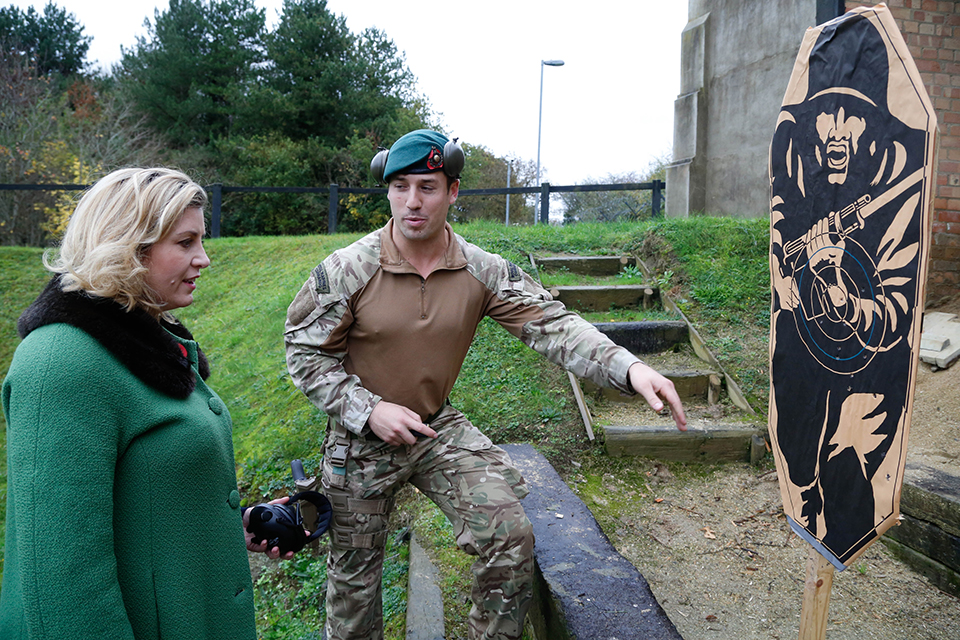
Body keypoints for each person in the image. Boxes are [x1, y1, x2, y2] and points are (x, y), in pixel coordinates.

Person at [284, 129, 687, 640]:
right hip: (359, 441)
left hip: (434, 431)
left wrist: (630, 367)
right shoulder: (348, 270)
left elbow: (554, 324)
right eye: (400, 186)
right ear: (386, 190)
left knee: (509, 536)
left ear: (452, 192)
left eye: (427, 187)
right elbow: (304, 354)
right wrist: (368, 409)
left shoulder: (480, 270)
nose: (412, 202)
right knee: (353, 594)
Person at [0, 167, 292, 640]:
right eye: (186, 242)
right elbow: (63, 590)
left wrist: (223, 529)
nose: (204, 259)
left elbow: (142, 499)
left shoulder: (150, 338)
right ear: (129, 247)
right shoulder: (60, 364)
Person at [768, 13, 927, 565]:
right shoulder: (802, 159)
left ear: (872, 122)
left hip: (867, 365)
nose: (836, 128)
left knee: (850, 475)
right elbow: (783, 212)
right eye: (826, 114)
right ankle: (806, 491)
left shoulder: (899, 190)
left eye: (852, 115)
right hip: (807, 350)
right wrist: (784, 267)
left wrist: (850, 303)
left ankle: (834, 500)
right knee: (798, 443)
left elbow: (898, 307)